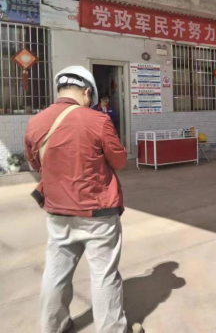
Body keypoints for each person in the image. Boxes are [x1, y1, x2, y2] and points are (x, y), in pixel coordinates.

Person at [24, 66, 142, 333]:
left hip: (57, 212)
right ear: (87, 91)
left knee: (55, 272)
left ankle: (54, 326)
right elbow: (119, 161)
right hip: (97, 213)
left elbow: (36, 164)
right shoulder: (97, 120)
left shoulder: (36, 122)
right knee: (103, 274)